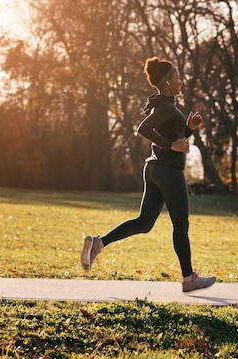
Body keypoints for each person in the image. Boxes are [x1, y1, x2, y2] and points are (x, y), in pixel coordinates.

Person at [80, 57, 216, 293]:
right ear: (166, 82)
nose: (181, 81)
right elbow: (143, 129)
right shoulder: (165, 107)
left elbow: (174, 136)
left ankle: (98, 244)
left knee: (144, 223)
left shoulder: (163, 105)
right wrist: (170, 145)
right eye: (177, 77)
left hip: (155, 169)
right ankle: (189, 278)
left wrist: (188, 129)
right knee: (180, 225)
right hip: (168, 171)